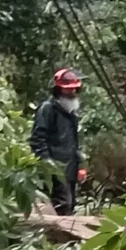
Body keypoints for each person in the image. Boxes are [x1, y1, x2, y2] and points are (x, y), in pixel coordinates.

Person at [31, 67, 85, 215]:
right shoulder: (47, 109)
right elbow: (37, 139)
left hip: (70, 167)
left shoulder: (70, 112)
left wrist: (80, 165)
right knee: (61, 204)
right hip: (55, 166)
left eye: (74, 89)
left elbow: (75, 142)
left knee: (71, 203)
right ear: (59, 90)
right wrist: (47, 163)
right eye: (68, 89)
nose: (72, 93)